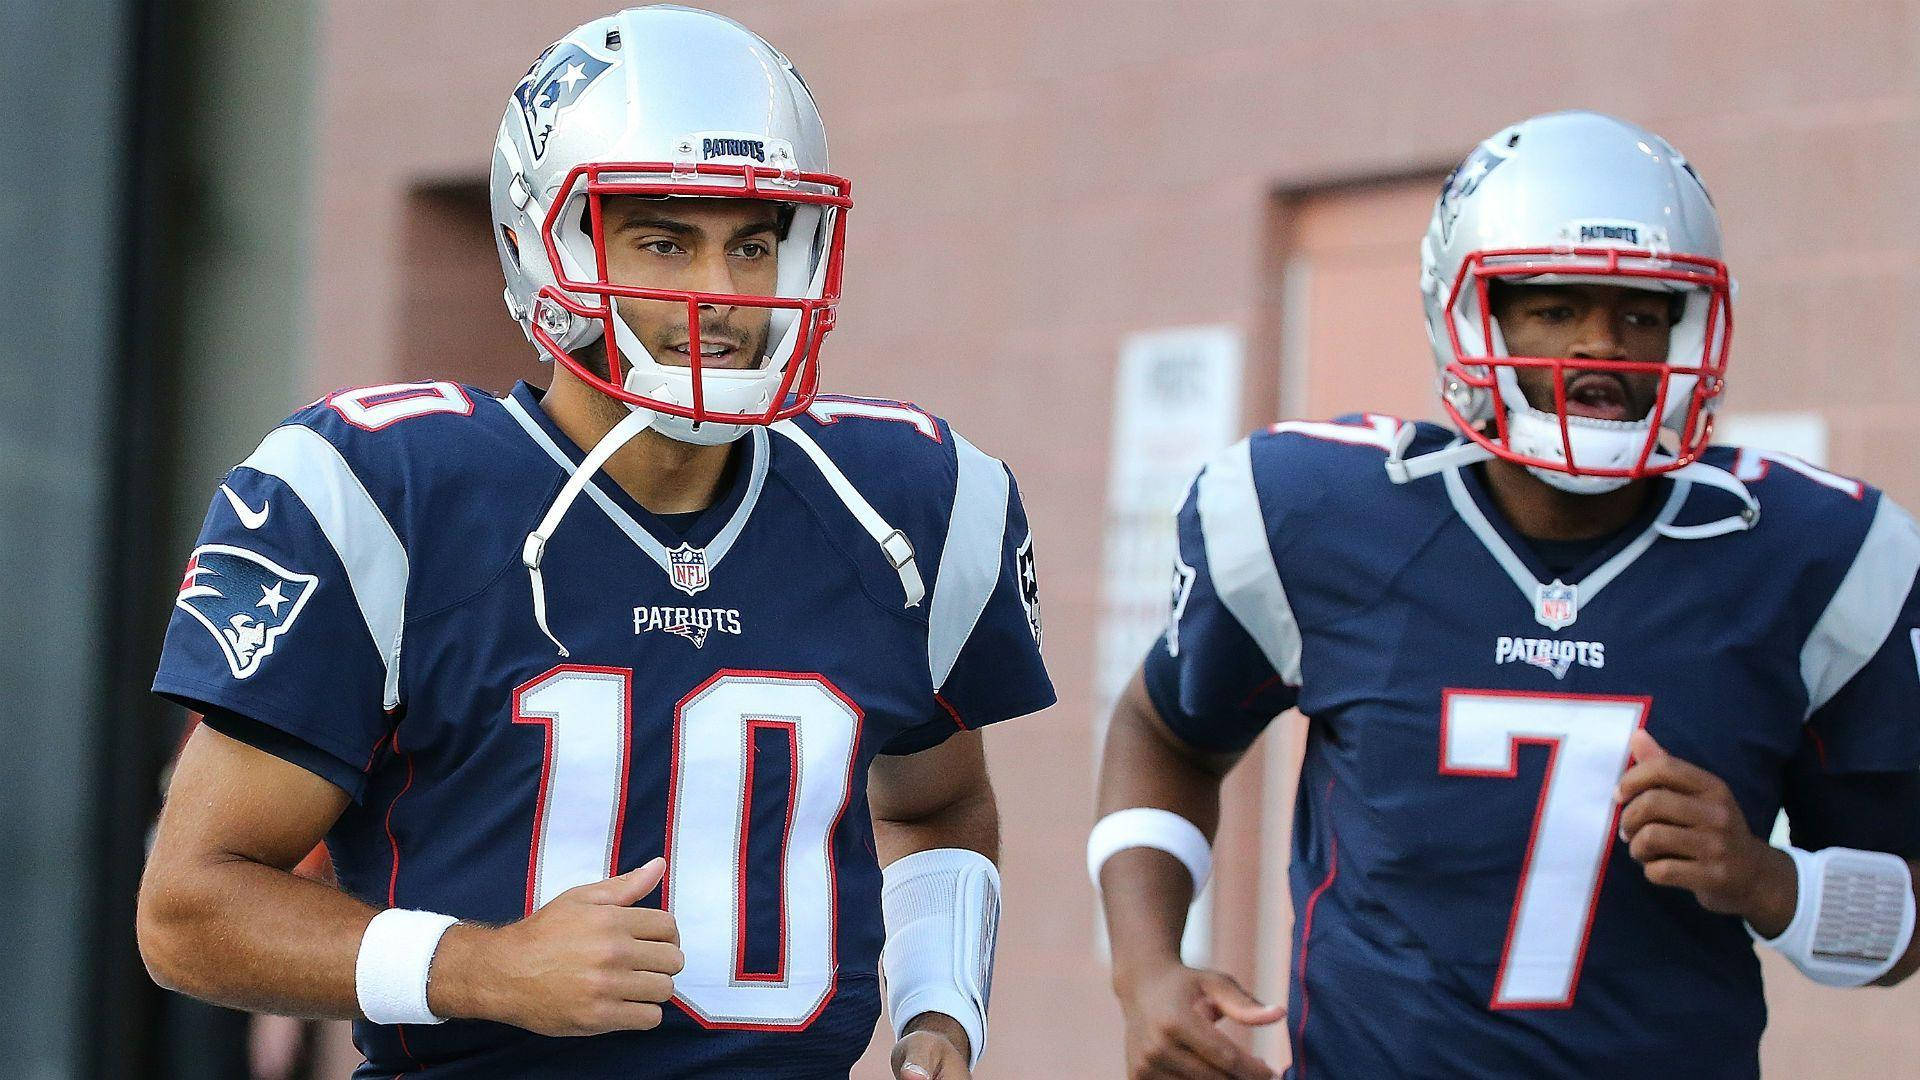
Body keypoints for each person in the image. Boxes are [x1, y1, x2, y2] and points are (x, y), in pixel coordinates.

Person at [136, 8, 1053, 1079]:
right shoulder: (391, 492)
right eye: (664, 240)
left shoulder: (902, 497)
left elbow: (937, 799)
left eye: (752, 243)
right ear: (546, 243)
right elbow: (190, 908)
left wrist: (941, 1010)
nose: (720, 293)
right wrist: (477, 967)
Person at [1089, 110, 1920, 1079]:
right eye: (1553, 308)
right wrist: (1147, 969)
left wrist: (1769, 879)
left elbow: (1904, 927)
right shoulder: (1313, 514)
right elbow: (1166, 734)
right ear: (1469, 315)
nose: (1602, 346)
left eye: (1642, 313)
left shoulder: (1812, 554)